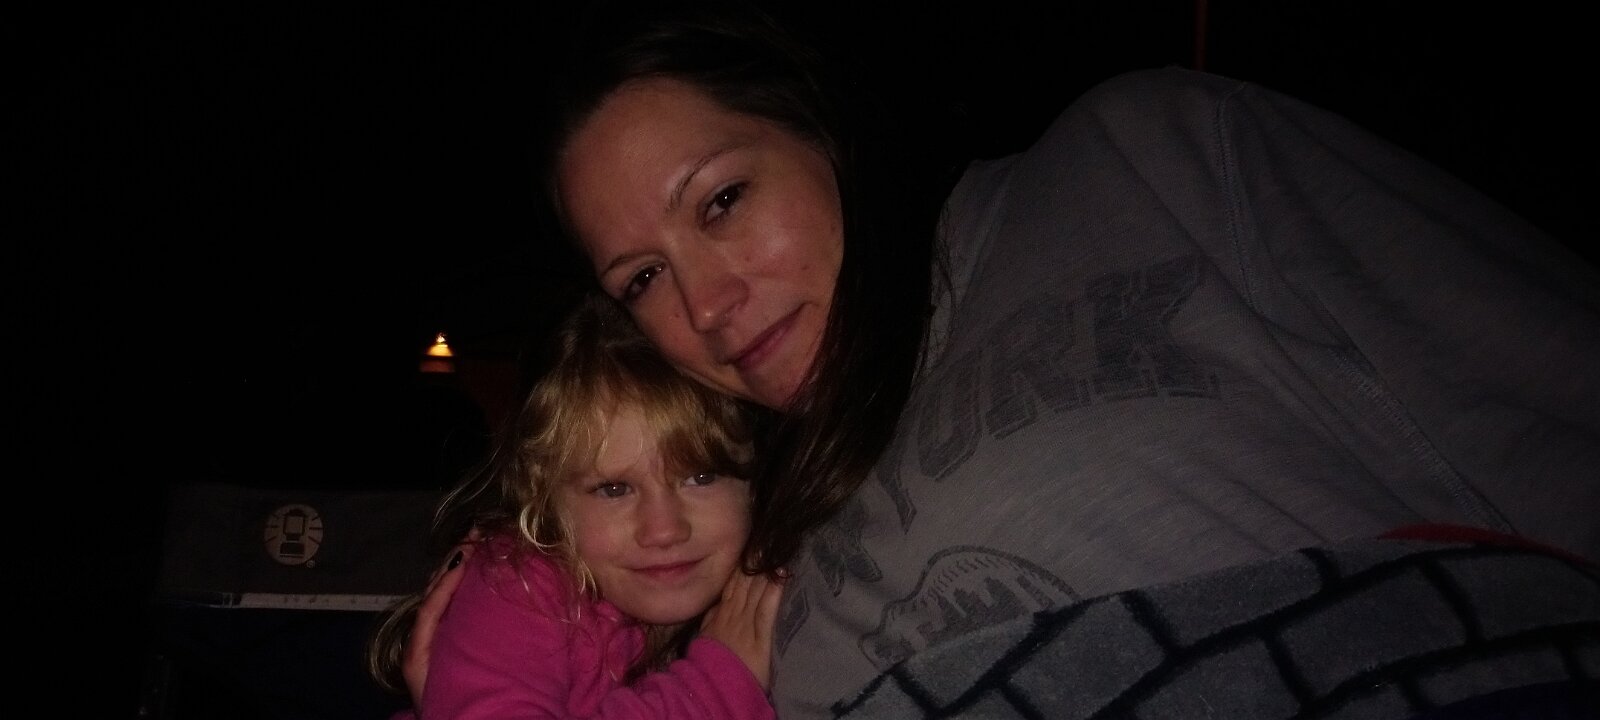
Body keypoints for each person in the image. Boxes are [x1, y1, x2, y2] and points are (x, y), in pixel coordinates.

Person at [400, 2, 1600, 718]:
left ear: (823, 132)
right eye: (641, 280)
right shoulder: (751, 531)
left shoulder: (1138, 161)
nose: (706, 306)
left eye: (721, 200)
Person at [367, 290, 784, 719]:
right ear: (544, 498)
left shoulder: (779, 583)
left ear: (756, 482)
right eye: (614, 489)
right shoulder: (521, 585)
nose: (664, 529)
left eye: (702, 477)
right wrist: (718, 686)